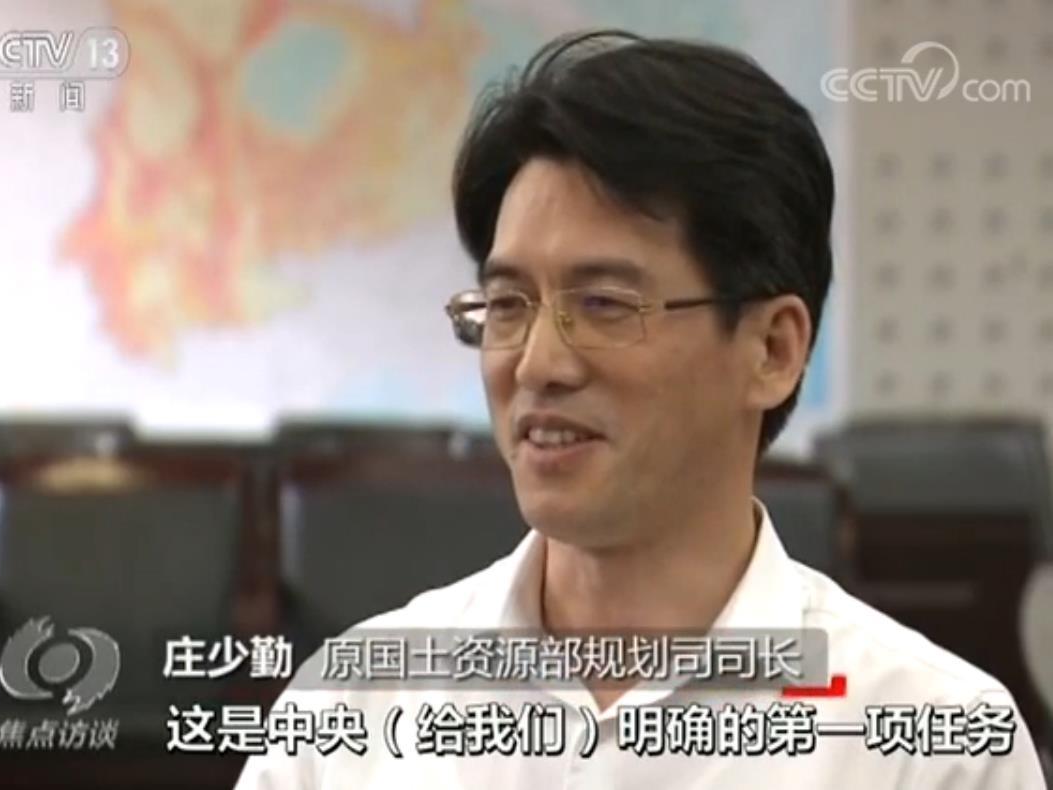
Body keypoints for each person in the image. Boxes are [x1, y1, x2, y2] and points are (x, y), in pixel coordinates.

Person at [237, 30, 1046, 788]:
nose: (537, 365)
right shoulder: (351, 715)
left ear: (771, 350)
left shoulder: (930, 744)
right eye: (508, 304)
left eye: (603, 304)